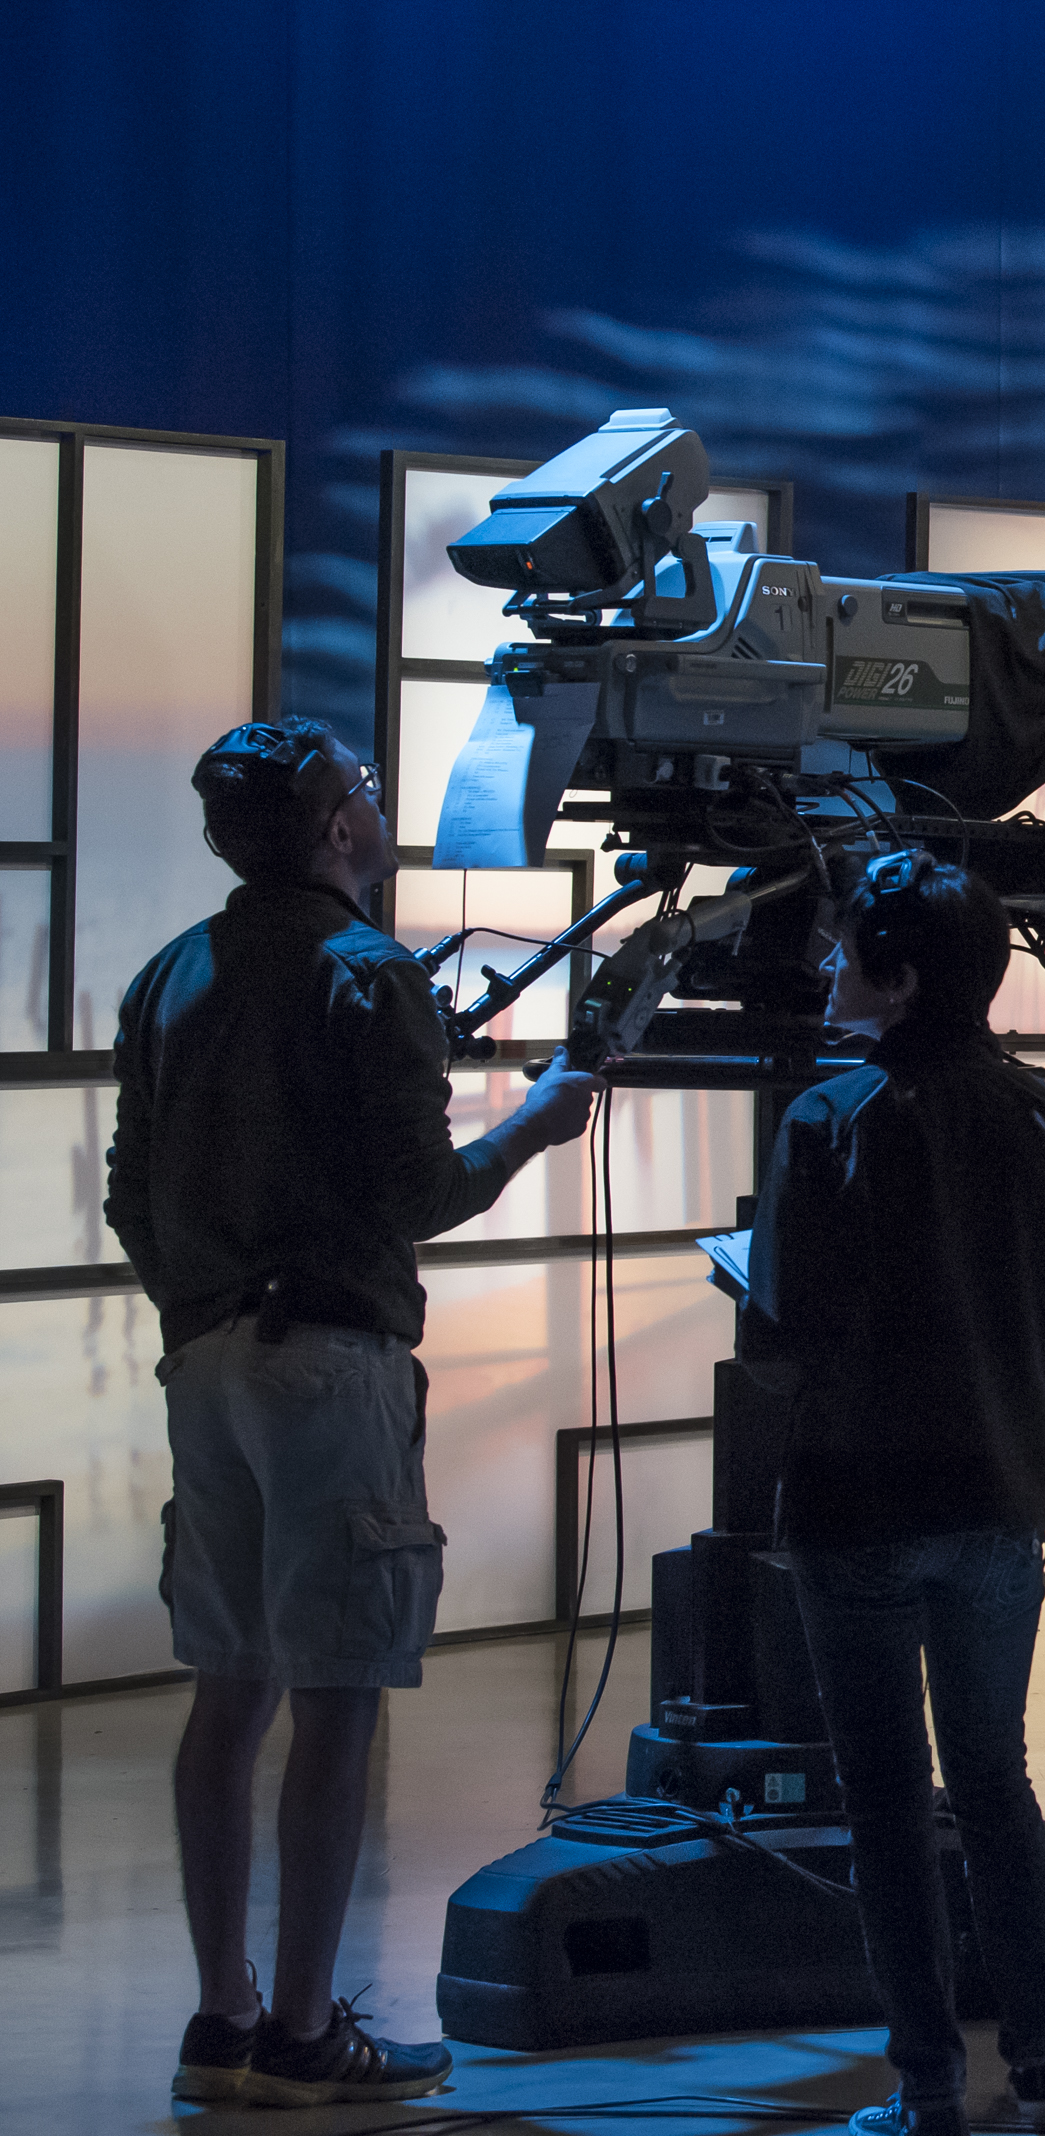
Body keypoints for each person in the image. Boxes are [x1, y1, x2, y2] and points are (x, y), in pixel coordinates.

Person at [106, 718, 601, 2108]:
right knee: (333, 1702)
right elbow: (421, 1197)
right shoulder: (367, 975)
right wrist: (537, 1123)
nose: (380, 811)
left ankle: (225, 2020)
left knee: (229, 1689)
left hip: (204, 1361)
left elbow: (129, 1194)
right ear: (335, 831)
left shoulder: (168, 974)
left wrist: (201, 1308)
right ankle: (312, 2030)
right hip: (333, 1365)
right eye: (365, 795)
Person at [747, 850, 1045, 2136]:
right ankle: (1043, 2077)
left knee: (883, 1805)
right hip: (1001, 1499)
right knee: (995, 1789)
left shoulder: (825, 1121)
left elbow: (782, 1331)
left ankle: (924, 2088)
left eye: (846, 950)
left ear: (899, 979)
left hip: (856, 1507)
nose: (825, 969)